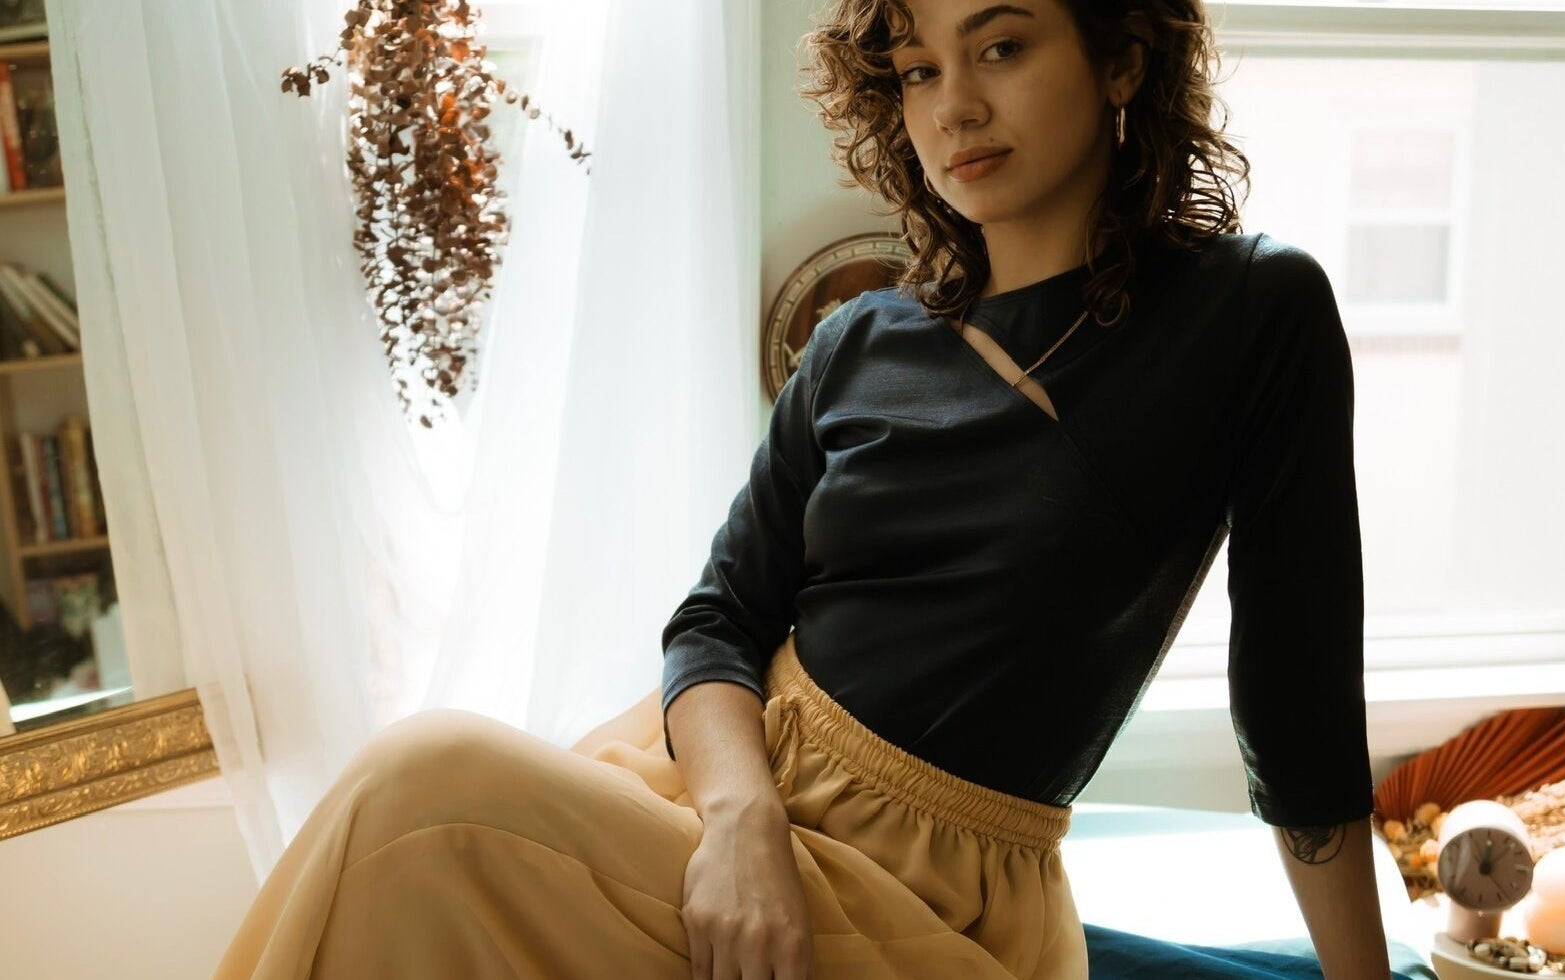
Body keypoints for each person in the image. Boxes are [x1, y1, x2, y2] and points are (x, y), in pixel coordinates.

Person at [212, 1, 1393, 978]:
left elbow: (1297, 711)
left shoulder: (1251, 311)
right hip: (716, 793)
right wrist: (740, 817)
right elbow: (717, 618)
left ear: (1123, 54)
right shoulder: (862, 342)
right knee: (412, 833)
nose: (955, 108)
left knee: (417, 795)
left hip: (928, 889)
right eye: (917, 70)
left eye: (1001, 46)